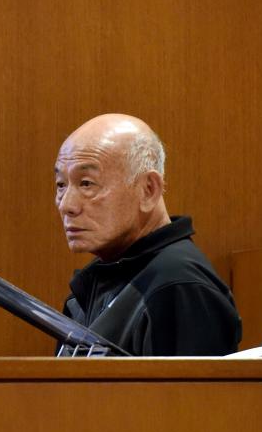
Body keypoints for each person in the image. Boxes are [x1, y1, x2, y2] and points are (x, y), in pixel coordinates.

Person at [54, 113, 241, 356]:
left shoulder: (178, 287)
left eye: (87, 183)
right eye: (61, 184)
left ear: (148, 190)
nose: (66, 205)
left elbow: (191, 395)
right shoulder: (101, 278)